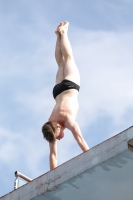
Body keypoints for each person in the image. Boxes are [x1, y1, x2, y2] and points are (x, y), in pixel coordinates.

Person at [42, 21, 89, 170]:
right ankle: (58, 35)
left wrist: (90, 155)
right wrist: (53, 174)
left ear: (57, 126)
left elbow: (79, 139)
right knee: (61, 64)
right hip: (57, 91)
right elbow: (53, 155)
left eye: (58, 135)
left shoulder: (66, 120)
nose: (60, 138)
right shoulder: (51, 126)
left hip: (70, 86)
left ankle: (63, 33)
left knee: (68, 59)